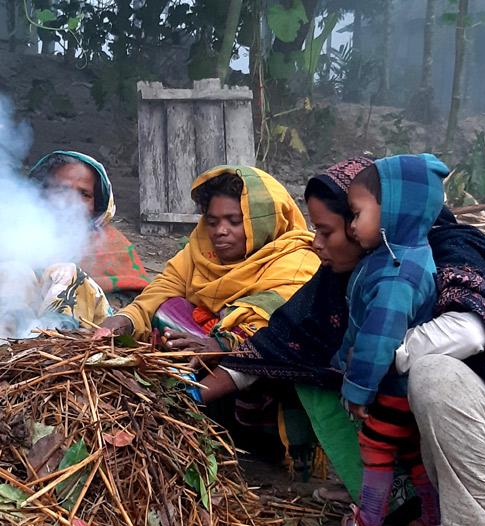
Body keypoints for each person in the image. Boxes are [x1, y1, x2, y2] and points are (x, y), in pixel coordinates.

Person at [197, 157, 485, 526]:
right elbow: (281, 345)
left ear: (378, 221)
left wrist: (385, 353)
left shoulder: (445, 256)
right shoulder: (347, 277)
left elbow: (472, 331)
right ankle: (398, 502)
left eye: (329, 229)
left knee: (433, 372)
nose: (317, 242)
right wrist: (188, 396)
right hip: (434, 458)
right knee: (316, 376)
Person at [98, 165, 321, 467]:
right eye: (213, 221)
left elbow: (276, 327)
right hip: (209, 367)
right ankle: (191, 418)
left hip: (267, 390)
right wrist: (122, 320)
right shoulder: (200, 251)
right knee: (168, 311)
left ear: (263, 222)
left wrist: (221, 343)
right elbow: (161, 289)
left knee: (259, 346)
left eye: (234, 221)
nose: (220, 231)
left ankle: (214, 419)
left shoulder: (297, 260)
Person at [335, 156, 446, 526]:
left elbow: (379, 337)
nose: (351, 226)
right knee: (412, 452)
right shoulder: (403, 254)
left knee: (376, 447)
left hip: (390, 385)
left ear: (395, 210)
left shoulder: (396, 271)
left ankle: (367, 522)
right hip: (407, 386)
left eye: (357, 213)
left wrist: (357, 389)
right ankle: (432, 522)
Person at [0, 150, 150, 339]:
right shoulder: (17, 236)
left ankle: (49, 347)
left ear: (97, 204)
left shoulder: (113, 244)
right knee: (11, 272)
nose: (71, 201)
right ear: (41, 193)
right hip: (15, 347)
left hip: (86, 343)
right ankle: (2, 349)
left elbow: (136, 308)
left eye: (84, 194)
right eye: (62, 190)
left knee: (68, 275)